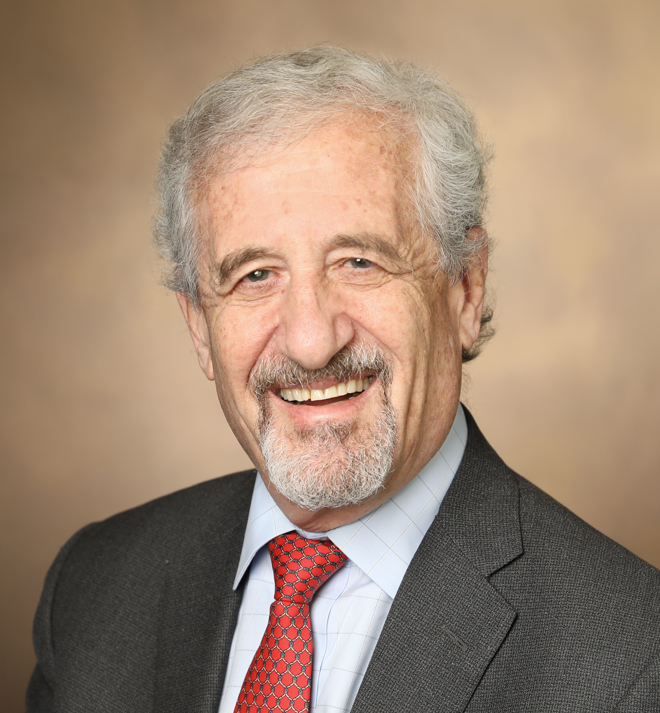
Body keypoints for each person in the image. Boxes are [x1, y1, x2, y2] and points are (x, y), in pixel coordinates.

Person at [28, 47, 660, 713]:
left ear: (465, 290)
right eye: (255, 275)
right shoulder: (92, 588)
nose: (311, 341)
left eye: (359, 262)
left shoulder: (632, 659)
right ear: (199, 327)